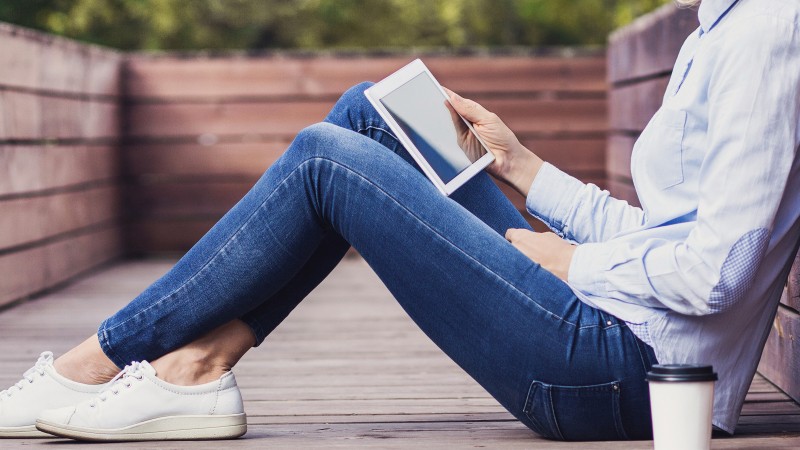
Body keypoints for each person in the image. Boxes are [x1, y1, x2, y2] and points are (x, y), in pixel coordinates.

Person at [1, 0, 799, 442]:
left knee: (326, 156)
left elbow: (716, 272)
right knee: (370, 114)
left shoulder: (767, 31)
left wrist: (572, 267)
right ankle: (197, 369)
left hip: (625, 377)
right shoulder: (719, 25)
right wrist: (520, 167)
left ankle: (95, 361)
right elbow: (669, 232)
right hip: (609, 327)